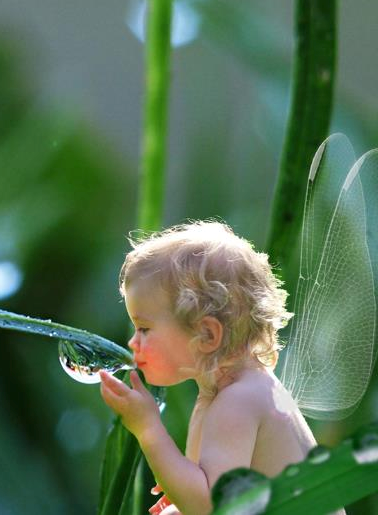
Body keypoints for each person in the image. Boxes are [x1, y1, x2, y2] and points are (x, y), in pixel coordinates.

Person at [98, 221, 324, 515]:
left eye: (144, 328)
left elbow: (208, 506)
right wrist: (181, 489)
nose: (132, 342)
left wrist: (148, 428)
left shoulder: (237, 401)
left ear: (207, 335)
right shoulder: (227, 390)